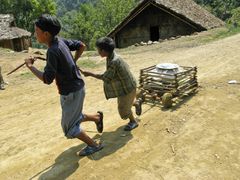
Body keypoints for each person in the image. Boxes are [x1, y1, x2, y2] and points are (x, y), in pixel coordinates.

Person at [24, 14, 103, 156]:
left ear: (46, 34)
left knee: (69, 128)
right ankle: (97, 118)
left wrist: (30, 66)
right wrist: (73, 61)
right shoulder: (60, 41)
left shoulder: (53, 51)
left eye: (36, 31)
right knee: (73, 115)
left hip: (71, 92)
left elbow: (47, 79)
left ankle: (93, 145)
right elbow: (81, 45)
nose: (35, 34)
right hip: (76, 88)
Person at [80, 37, 142, 131]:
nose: (98, 51)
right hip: (127, 85)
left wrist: (90, 74)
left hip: (127, 88)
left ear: (104, 51)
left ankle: (133, 121)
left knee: (123, 110)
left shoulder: (114, 61)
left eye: (98, 50)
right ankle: (136, 103)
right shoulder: (111, 56)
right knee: (125, 103)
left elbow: (106, 77)